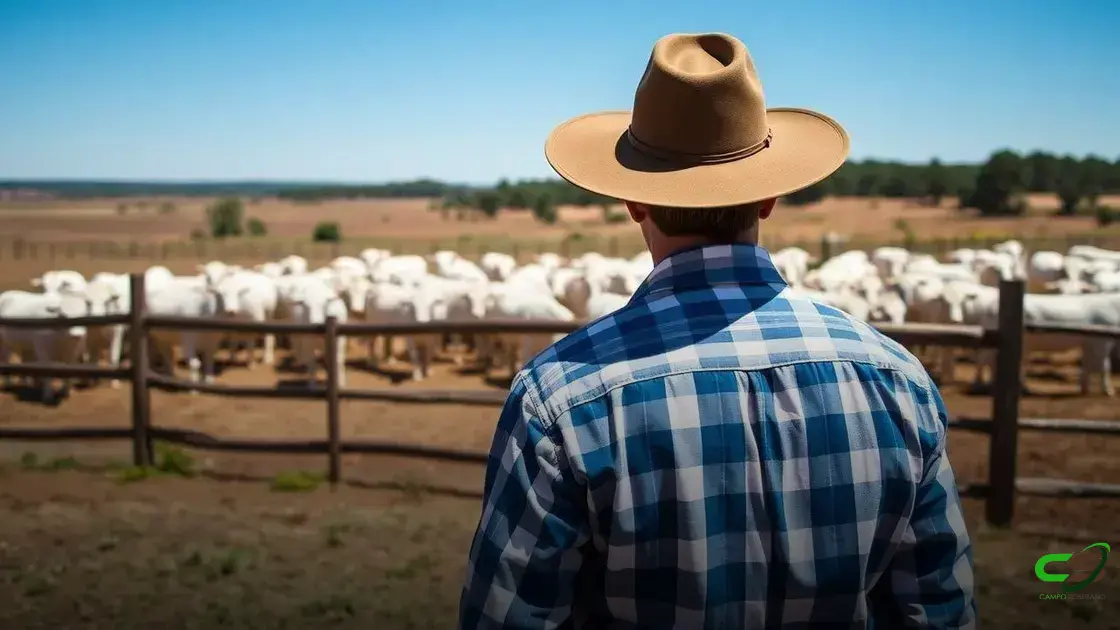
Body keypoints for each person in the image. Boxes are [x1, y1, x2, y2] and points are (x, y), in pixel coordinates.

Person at [458, 32, 976, 629]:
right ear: (770, 197)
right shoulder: (895, 379)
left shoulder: (560, 398)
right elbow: (940, 609)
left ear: (633, 201)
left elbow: (504, 617)